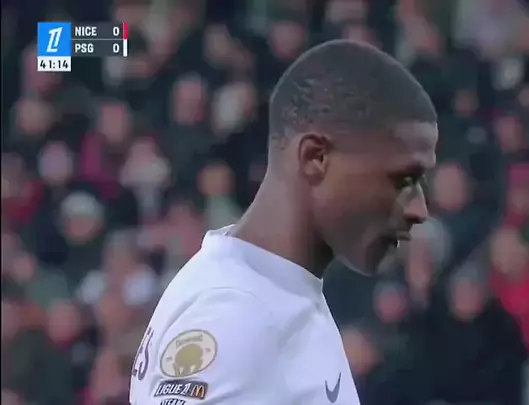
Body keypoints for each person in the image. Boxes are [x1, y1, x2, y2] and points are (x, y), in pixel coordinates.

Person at [129, 39, 438, 405]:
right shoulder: (237, 313)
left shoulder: (275, 292)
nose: (418, 208)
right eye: (401, 180)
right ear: (315, 157)